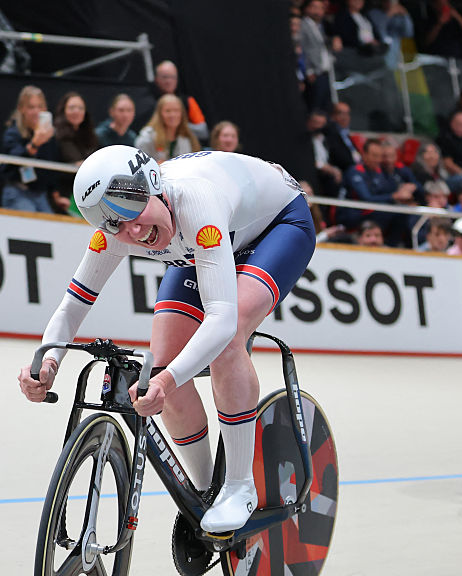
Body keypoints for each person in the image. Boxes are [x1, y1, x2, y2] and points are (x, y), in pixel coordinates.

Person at [17, 145, 316, 534]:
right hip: (198, 248)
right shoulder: (114, 232)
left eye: (135, 215)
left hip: (276, 226)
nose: (135, 233)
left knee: (226, 340)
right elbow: (72, 307)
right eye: (119, 227)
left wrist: (167, 379)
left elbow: (221, 319)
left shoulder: (196, 201)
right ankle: (207, 489)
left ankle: (240, 486)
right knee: (159, 366)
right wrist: (48, 361)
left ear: (155, 187)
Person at [0, 86, 67, 213]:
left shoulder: (49, 135)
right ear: (21, 109)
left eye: (40, 107)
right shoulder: (13, 133)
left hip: (40, 194)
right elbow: (11, 164)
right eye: (31, 107)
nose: (36, 111)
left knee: (50, 226)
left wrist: (56, 195)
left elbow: (50, 167)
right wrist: (34, 144)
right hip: (18, 191)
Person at [137, 60, 208, 142]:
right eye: (165, 77)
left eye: (172, 77)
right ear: (156, 79)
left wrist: (177, 126)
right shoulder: (145, 101)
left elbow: (203, 131)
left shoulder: (187, 101)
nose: (169, 81)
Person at [53, 91, 99, 202]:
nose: (76, 111)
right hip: (62, 194)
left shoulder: (91, 135)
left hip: (85, 192)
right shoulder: (55, 135)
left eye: (80, 108)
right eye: (72, 107)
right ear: (63, 110)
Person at [136, 94, 201, 163]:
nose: (172, 115)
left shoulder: (189, 137)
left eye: (176, 110)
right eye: (168, 111)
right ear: (160, 114)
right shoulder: (147, 138)